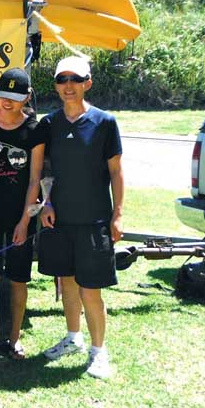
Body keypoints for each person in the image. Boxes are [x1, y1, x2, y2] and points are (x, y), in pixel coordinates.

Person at [38, 56, 124, 379]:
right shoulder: (50, 124)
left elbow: (116, 171)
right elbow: (46, 170)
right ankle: (73, 338)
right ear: (57, 85)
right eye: (63, 79)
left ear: (88, 83)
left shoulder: (105, 123)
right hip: (60, 222)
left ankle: (99, 351)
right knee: (68, 284)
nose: (69, 86)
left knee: (91, 290)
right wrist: (46, 203)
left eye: (76, 79)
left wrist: (118, 215)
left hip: (94, 221)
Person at [0, 68, 46, 360]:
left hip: (21, 217)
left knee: (18, 279)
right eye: (3, 95)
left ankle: (14, 337)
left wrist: (26, 220)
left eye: (15, 97)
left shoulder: (35, 129)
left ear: (27, 97)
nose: (7, 102)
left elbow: (35, 178)